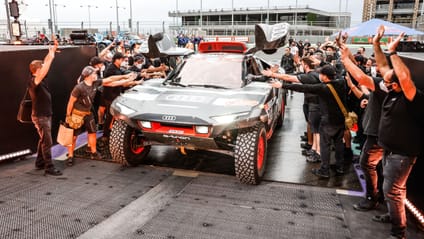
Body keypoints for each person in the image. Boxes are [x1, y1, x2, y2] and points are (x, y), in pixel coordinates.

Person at [346, 26, 423, 239]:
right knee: (395, 190)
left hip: (401, 155)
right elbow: (382, 67)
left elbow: (404, 77)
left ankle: (398, 233)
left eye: (389, 82)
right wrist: (377, 45)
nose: (384, 84)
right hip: (390, 150)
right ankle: (392, 215)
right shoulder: (392, 89)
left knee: (393, 192)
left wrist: (393, 52)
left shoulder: (411, 97)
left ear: (399, 84)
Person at [268, 64, 347, 178]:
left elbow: (303, 88)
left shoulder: (323, 88)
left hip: (328, 120)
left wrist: (282, 85)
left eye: (321, 74)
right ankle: (340, 167)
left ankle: (325, 170)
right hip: (341, 119)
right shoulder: (341, 83)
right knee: (339, 143)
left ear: (325, 76)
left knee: (324, 144)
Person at [65, 66, 137, 165]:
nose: (96, 75)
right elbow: (70, 102)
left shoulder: (95, 83)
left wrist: (126, 77)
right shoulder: (79, 88)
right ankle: (70, 156)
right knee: (73, 136)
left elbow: (111, 80)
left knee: (92, 132)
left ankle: (93, 152)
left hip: (88, 113)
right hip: (77, 115)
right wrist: (68, 116)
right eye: (94, 73)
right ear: (88, 76)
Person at [27, 39, 62, 176]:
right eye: (42, 67)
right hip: (41, 116)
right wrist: (51, 56)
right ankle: (49, 167)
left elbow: (45, 62)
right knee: (47, 142)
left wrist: (51, 52)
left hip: (45, 114)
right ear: (37, 70)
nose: (45, 68)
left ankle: (39, 162)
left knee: (43, 139)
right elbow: (46, 65)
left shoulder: (39, 78)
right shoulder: (33, 81)